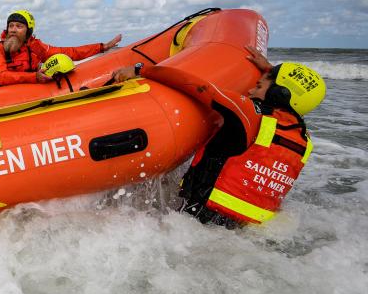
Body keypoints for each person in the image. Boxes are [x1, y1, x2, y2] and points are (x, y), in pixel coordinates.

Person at [112, 46, 326, 227]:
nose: (251, 90)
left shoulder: (250, 114)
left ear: (278, 94)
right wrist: (270, 71)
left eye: (259, 85)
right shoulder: (304, 141)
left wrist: (140, 69)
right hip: (249, 229)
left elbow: (197, 85)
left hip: (200, 220)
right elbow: (290, 97)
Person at [0, 10, 122, 87]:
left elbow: (69, 53)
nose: (13, 30)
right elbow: (1, 77)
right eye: (11, 26)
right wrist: (34, 77)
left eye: (19, 26)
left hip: (30, 94)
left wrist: (102, 47)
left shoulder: (35, 47)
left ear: (28, 31)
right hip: (2, 96)